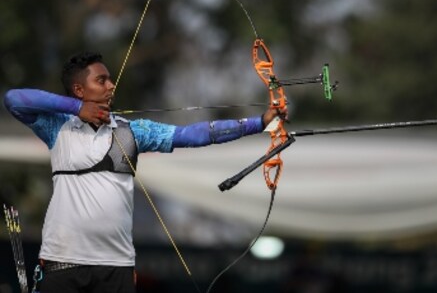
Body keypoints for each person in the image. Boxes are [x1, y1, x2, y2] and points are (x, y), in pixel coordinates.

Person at [3, 52, 283, 293]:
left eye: (110, 79)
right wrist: (77, 109)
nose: (111, 86)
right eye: (101, 80)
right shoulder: (57, 127)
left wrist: (259, 123)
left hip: (116, 265)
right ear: (79, 89)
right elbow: (14, 98)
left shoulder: (132, 131)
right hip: (62, 260)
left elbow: (192, 134)